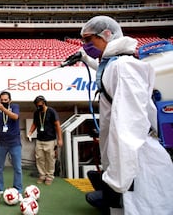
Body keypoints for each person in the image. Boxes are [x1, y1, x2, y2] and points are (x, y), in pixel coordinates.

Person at [72, 15, 173, 214]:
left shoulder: (125, 67)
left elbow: (130, 125)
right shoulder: (115, 64)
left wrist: (117, 180)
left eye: (88, 39)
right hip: (125, 162)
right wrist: (85, 59)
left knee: (139, 207)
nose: (85, 45)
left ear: (107, 34)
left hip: (135, 162)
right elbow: (106, 73)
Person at [0, 91, 23, 200]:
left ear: (10, 100)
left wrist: (3, 109)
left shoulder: (14, 106)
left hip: (15, 142)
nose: (3, 102)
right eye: (1, 100)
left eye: (5, 100)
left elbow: (15, 117)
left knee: (17, 168)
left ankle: (18, 190)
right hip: (2, 142)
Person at [27, 95, 63, 185]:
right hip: (39, 140)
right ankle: (42, 175)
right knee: (39, 158)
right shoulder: (36, 113)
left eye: (40, 105)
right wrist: (30, 132)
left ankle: (49, 176)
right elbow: (35, 124)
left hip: (50, 140)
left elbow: (57, 125)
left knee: (50, 159)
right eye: (37, 105)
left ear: (44, 103)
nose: (39, 107)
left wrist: (60, 139)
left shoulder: (51, 111)